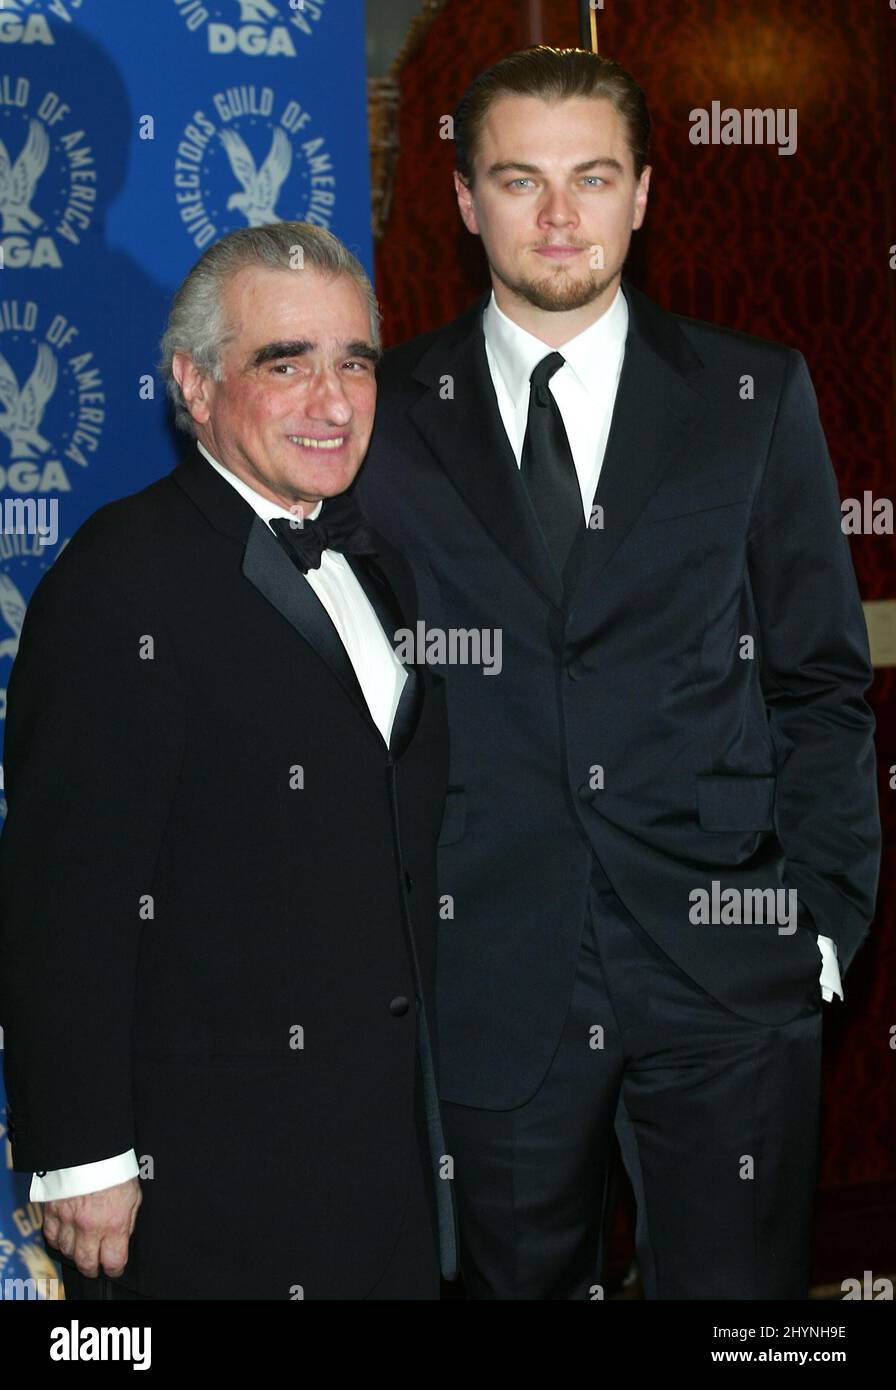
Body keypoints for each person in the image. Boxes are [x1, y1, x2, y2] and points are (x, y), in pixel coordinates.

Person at [354, 46, 881, 1299]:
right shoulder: (383, 412)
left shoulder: (751, 396)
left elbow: (817, 679)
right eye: (517, 178)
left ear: (641, 193)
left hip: (725, 959)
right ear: (463, 199)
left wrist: (820, 926)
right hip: (484, 964)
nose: (555, 215)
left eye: (589, 177)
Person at [0, 222, 457, 1300]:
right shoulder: (119, 581)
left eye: (354, 361)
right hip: (203, 1172)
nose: (333, 399)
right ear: (194, 387)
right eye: (284, 361)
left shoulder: (377, 564)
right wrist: (85, 1156)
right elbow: (63, 895)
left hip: (380, 1149)